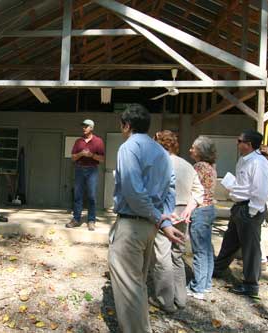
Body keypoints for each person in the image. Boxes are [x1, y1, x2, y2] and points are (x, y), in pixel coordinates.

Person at [109, 104, 185, 333]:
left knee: (128, 287)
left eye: (122, 126)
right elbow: (170, 189)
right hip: (150, 226)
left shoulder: (128, 147)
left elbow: (134, 192)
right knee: (138, 284)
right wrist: (164, 220)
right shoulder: (162, 152)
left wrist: (160, 220)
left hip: (133, 223)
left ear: (127, 125)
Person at [214, 130, 268, 297]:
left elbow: (261, 190)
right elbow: (244, 185)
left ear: (249, 145)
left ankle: (251, 285)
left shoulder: (259, 163)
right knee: (230, 240)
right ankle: (217, 270)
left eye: (239, 141)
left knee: (250, 248)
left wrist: (252, 211)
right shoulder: (243, 160)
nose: (237, 143)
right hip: (240, 206)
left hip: (249, 208)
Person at [150, 130, 204, 312]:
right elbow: (199, 192)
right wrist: (189, 209)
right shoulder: (187, 165)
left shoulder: (158, 164)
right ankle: (180, 298)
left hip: (164, 215)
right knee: (177, 256)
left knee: (162, 257)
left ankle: (164, 300)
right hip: (183, 214)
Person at [186, 136, 218, 300]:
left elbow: (193, 189)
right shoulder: (211, 166)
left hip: (200, 209)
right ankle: (206, 284)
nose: (190, 150)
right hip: (210, 208)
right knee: (207, 249)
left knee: (199, 250)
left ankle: (197, 286)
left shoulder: (198, 166)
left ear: (200, 151)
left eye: (193, 147)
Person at [65, 119, 105, 231]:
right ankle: (76, 219)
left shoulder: (98, 141)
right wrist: (81, 153)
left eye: (86, 126)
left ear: (91, 128)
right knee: (78, 195)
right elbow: (73, 158)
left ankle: (91, 220)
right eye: (83, 126)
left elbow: (101, 159)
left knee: (91, 196)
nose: (84, 128)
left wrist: (91, 155)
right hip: (79, 169)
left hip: (92, 170)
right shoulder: (79, 141)